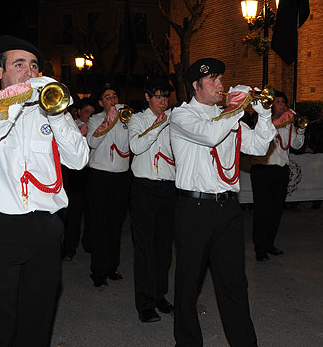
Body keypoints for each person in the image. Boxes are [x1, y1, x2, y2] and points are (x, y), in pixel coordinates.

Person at [0, 35, 89, 347]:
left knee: (37, 321)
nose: (30, 72)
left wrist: (57, 114)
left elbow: (79, 159)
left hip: (44, 226)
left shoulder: (51, 112)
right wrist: (14, 101)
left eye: (34, 66)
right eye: (19, 64)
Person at [170, 58, 276, 347]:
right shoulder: (182, 115)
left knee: (234, 283)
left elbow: (259, 146)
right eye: (213, 80)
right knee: (188, 283)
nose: (221, 85)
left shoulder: (228, 115)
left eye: (221, 79)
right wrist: (236, 108)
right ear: (196, 85)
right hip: (195, 208)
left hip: (228, 207)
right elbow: (211, 135)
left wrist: (263, 114)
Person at [128, 75, 176, 323]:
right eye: (158, 96)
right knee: (144, 249)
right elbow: (136, 147)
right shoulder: (137, 119)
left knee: (164, 248)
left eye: (166, 96)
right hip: (144, 189)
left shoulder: (174, 121)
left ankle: (159, 295)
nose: (163, 101)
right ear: (147, 97)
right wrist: (159, 124)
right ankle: (144, 303)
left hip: (168, 188)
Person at [85, 83, 131, 287]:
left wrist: (121, 121)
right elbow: (93, 143)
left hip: (120, 178)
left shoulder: (127, 120)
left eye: (114, 96)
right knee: (99, 225)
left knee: (115, 225)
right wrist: (108, 121)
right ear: (101, 102)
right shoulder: (95, 120)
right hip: (99, 178)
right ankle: (98, 271)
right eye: (107, 97)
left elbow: (127, 146)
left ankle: (112, 266)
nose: (112, 99)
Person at [250, 90, 304, 261]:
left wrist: (300, 130)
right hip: (263, 169)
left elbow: (295, 145)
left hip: (281, 169)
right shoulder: (263, 120)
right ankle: (260, 248)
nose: (281, 104)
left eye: (283, 102)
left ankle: (269, 244)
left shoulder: (288, 122)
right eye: (278, 101)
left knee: (276, 209)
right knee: (262, 210)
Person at [61, 98, 95, 260]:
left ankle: (88, 244)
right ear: (79, 112)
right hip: (75, 176)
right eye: (87, 111)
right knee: (73, 215)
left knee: (91, 214)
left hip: (91, 173)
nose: (90, 115)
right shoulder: (71, 125)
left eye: (92, 112)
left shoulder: (96, 125)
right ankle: (69, 248)